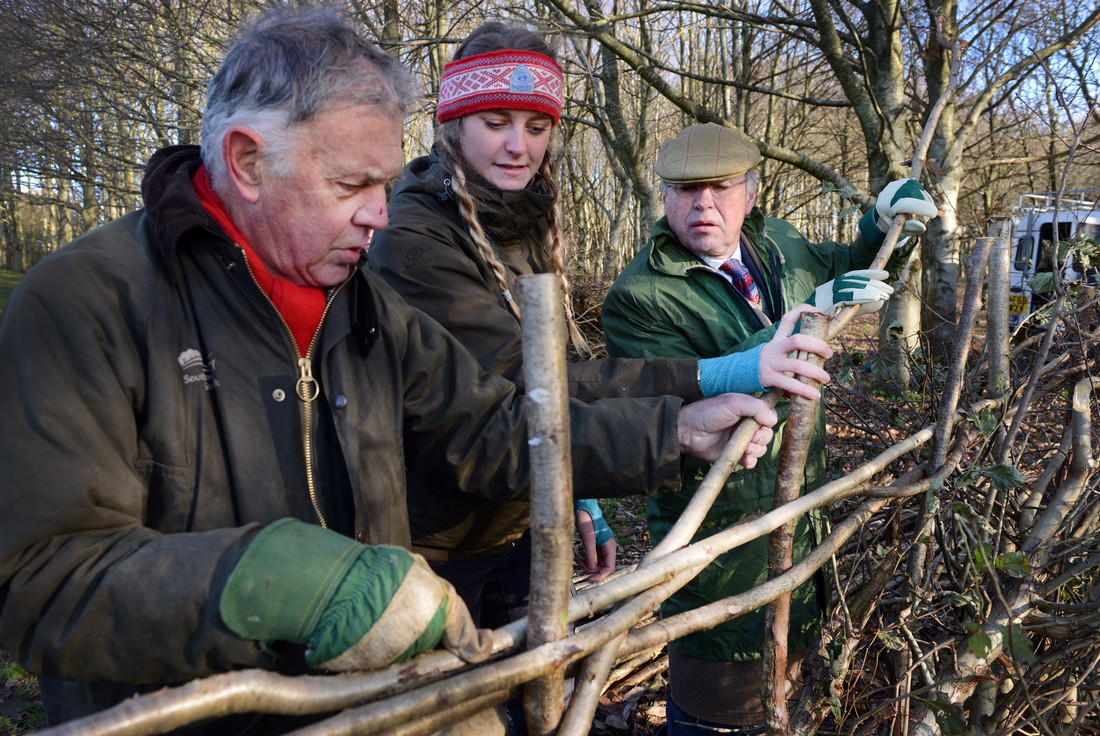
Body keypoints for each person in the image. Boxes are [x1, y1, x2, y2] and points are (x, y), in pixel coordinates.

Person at [0, 13, 780, 734]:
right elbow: (39, 579)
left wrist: (671, 428)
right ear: (246, 161)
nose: (379, 213)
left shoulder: (364, 305)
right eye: (350, 186)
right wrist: (274, 578)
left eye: (381, 183)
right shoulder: (90, 305)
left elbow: (494, 427)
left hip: (369, 708)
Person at [367, 23, 832, 631]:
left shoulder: (518, 219)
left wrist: (578, 495)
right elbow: (517, 390)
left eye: (537, 128)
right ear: (454, 124)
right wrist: (714, 381)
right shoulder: (416, 242)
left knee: (537, 696)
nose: (518, 146)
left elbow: (548, 381)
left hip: (520, 513)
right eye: (496, 123)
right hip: (440, 534)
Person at [602, 123, 937, 733]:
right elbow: (677, 390)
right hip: (720, 537)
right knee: (718, 707)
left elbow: (844, 268)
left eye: (721, 187)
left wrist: (884, 225)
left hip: (801, 512)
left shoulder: (775, 241)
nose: (704, 204)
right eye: (686, 190)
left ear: (751, 193)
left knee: (789, 697)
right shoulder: (641, 295)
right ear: (666, 197)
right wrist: (813, 317)